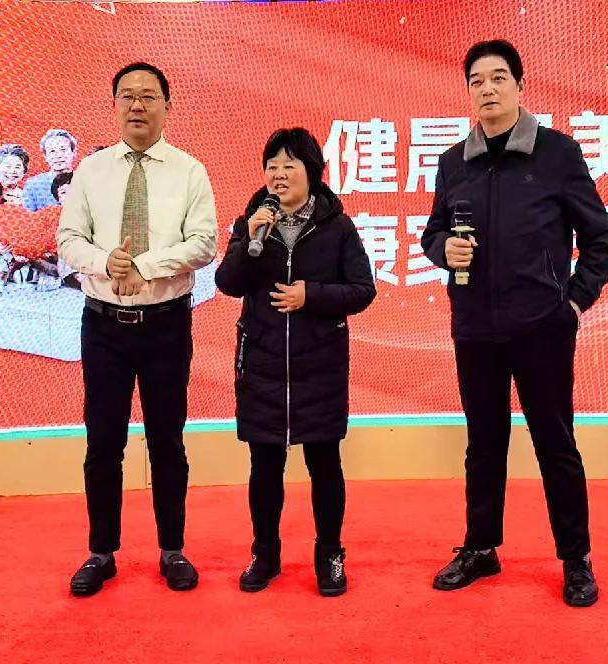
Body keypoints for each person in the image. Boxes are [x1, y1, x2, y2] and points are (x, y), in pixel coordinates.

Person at [421, 40, 608, 607]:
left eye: (498, 78)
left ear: (520, 85)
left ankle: (576, 559)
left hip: (541, 328)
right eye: (477, 81)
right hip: (475, 327)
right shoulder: (453, 162)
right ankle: (481, 547)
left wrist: (572, 304)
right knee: (483, 444)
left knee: (555, 443)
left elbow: (599, 238)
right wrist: (442, 249)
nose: (487, 89)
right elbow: (433, 233)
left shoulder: (557, 153)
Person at [57, 61, 217, 597]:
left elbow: (203, 243)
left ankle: (173, 549)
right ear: (114, 105)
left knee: (167, 440)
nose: (137, 105)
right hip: (103, 325)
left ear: (168, 106)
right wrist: (107, 262)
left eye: (148, 96)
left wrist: (142, 266)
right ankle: (100, 552)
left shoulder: (189, 171)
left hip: (166, 324)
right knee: (103, 441)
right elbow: (68, 240)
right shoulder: (91, 170)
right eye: (127, 95)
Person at [215, 128, 376, 597]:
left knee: (324, 465)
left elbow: (362, 290)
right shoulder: (252, 222)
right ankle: (265, 554)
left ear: (312, 171)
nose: (278, 174)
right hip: (262, 365)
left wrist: (312, 295)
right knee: (264, 467)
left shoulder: (337, 227)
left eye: (289, 164)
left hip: (319, 365)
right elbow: (228, 283)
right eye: (271, 166)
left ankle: (330, 555)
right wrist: (251, 239)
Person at [23, 128, 77, 211]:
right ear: (45, 157)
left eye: (63, 150)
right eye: (52, 151)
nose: (58, 155)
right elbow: (27, 216)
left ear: (73, 153)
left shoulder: (85, 180)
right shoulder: (33, 185)